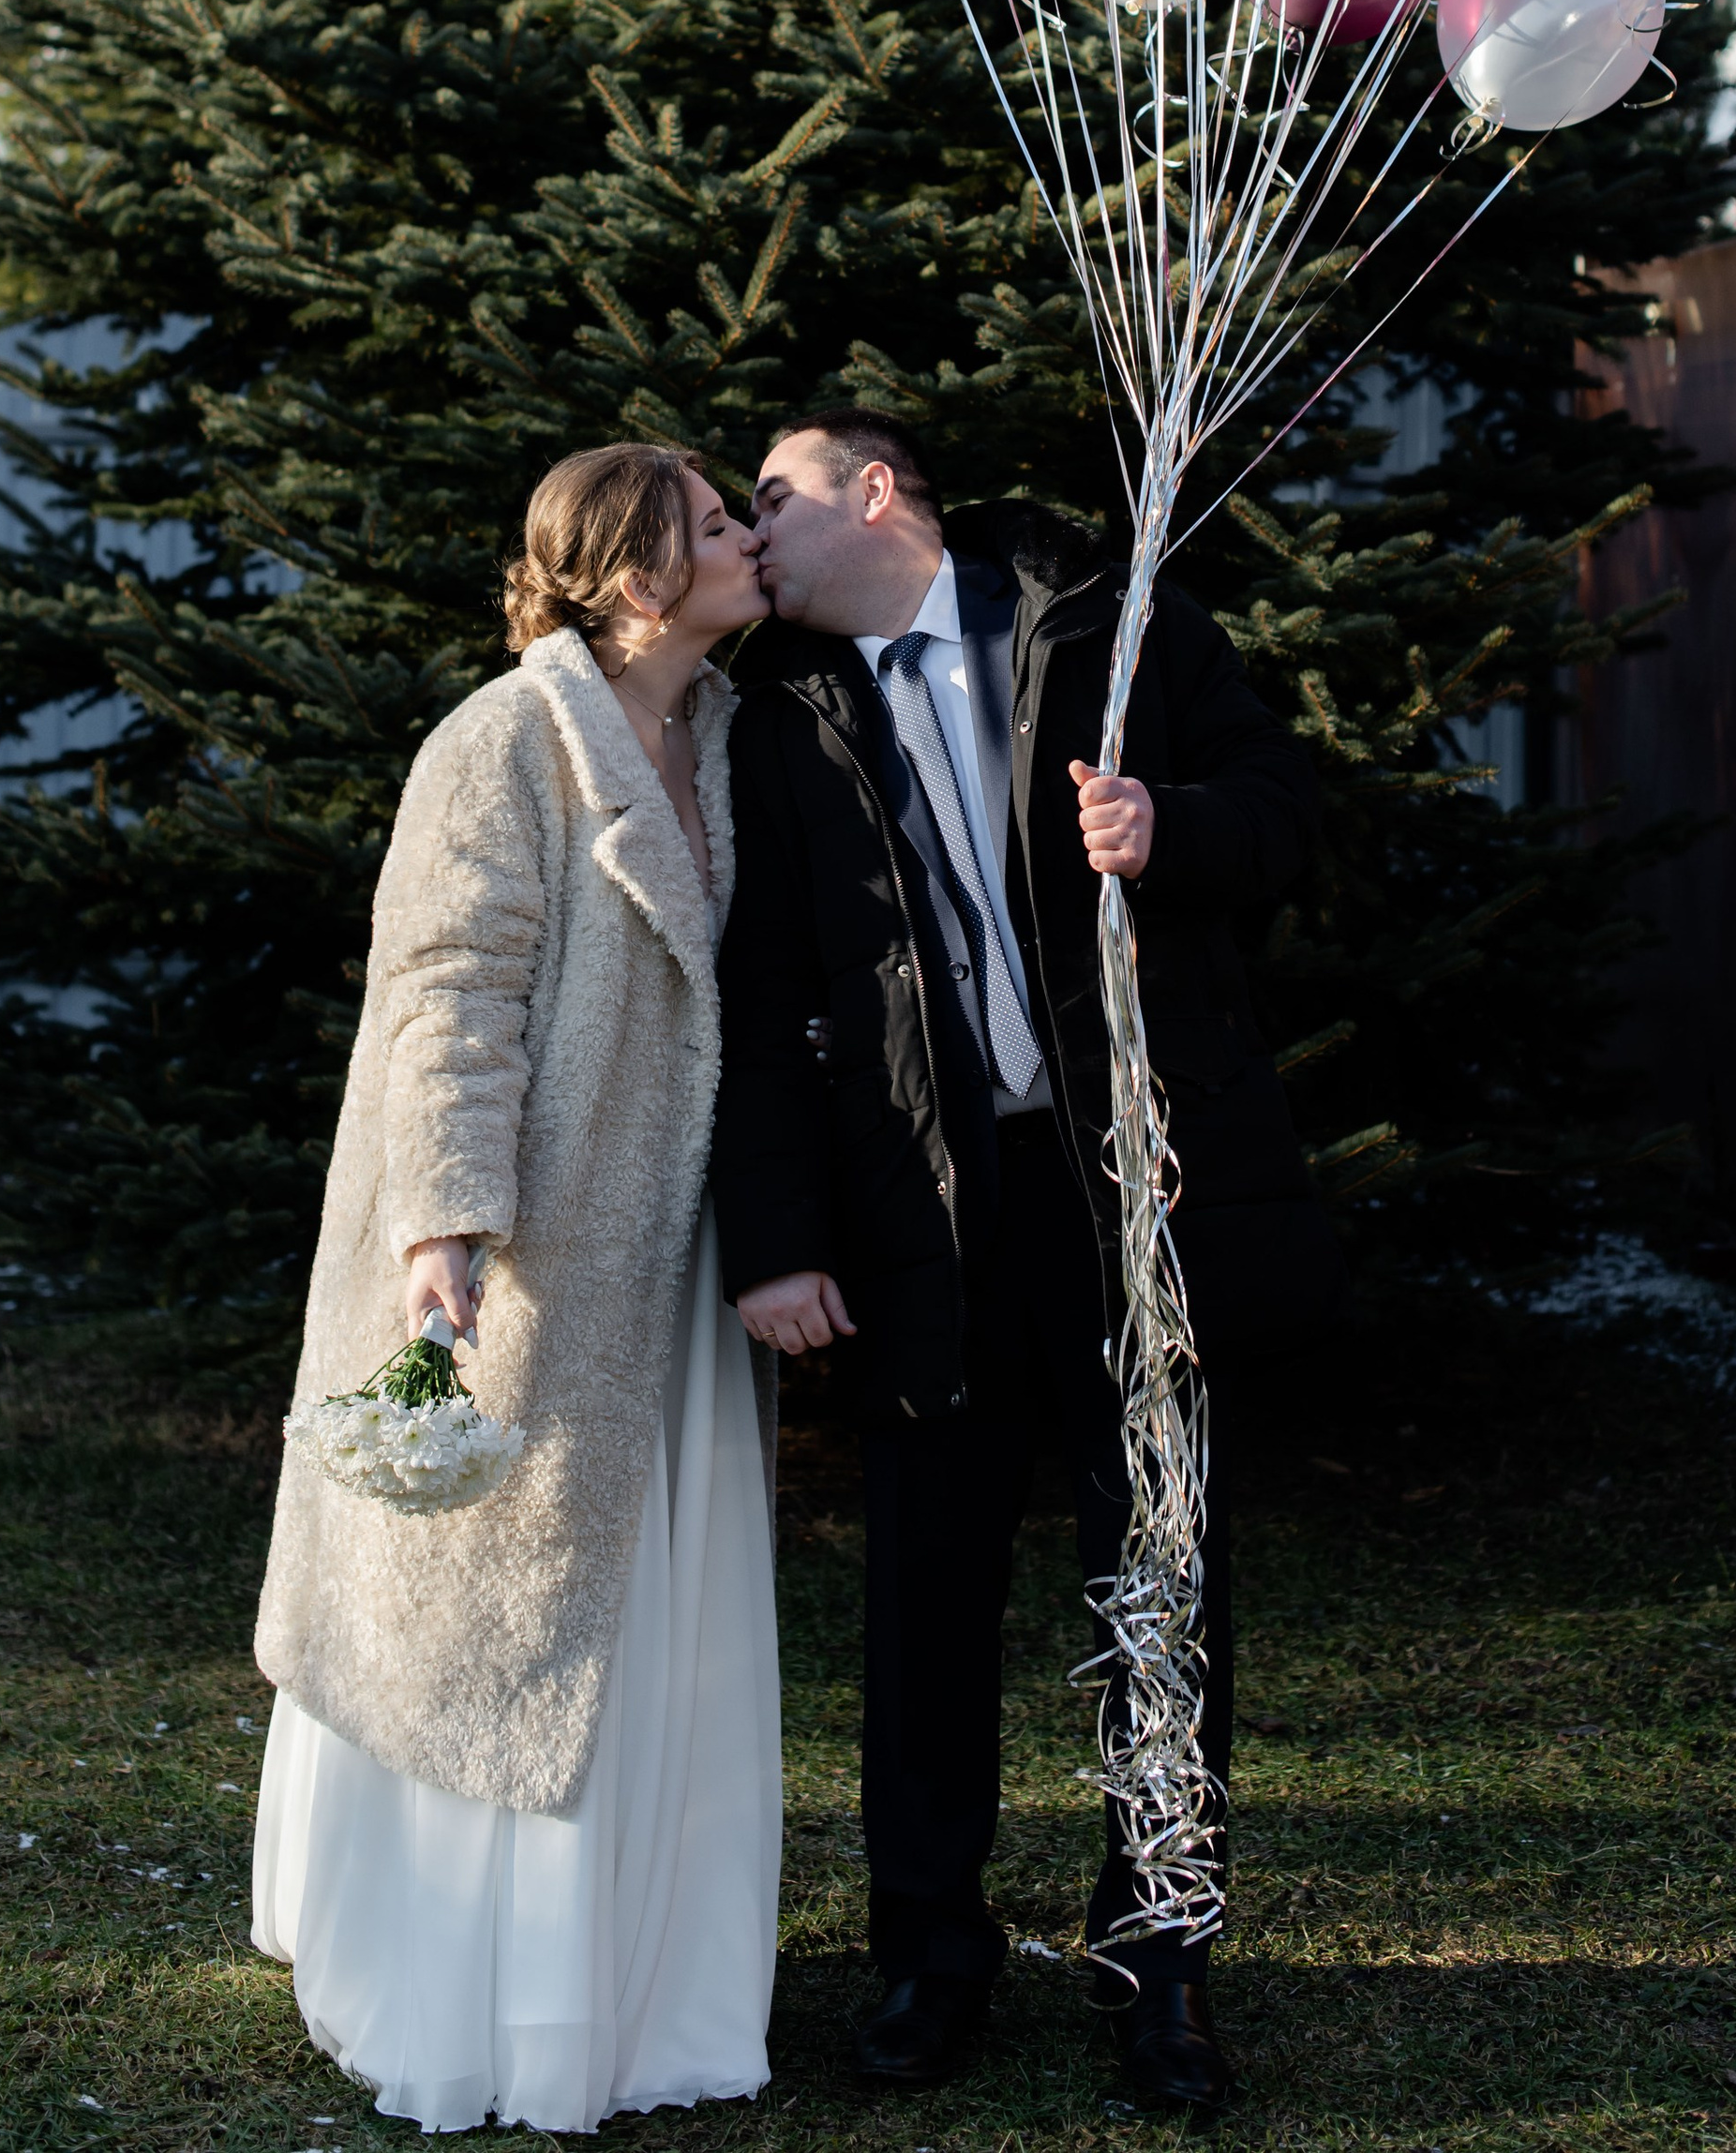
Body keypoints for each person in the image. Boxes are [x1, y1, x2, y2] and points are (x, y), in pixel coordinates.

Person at [710, 411, 1331, 2112]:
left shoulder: (1113, 625)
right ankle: (929, 1959)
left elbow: (1285, 810)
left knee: (1164, 1581)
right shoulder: (779, 714)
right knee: (924, 1595)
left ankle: (1163, 1965)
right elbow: (764, 1003)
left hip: (1133, 1193)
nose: (751, 534)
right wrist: (778, 1240)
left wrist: (1167, 825)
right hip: (923, 1214)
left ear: (875, 492)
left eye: (773, 499)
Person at [251, 442, 781, 2136]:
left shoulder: (734, 735)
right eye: (717, 524)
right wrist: (448, 1223)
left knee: (646, 1592)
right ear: (635, 578)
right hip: (525, 1248)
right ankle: (477, 1983)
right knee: (489, 1610)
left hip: (669, 1253)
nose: (752, 539)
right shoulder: (500, 742)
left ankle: (649, 1976)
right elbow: (447, 989)